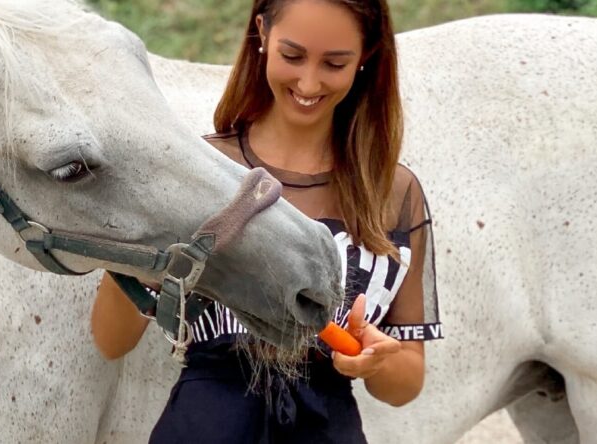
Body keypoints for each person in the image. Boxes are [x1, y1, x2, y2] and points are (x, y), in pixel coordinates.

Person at [90, 0, 441, 442]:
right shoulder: (201, 169)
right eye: (292, 56)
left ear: (367, 55)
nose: (309, 82)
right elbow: (110, 340)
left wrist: (378, 359)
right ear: (262, 33)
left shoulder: (393, 193)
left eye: (335, 63)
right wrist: (142, 243)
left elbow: (406, 383)